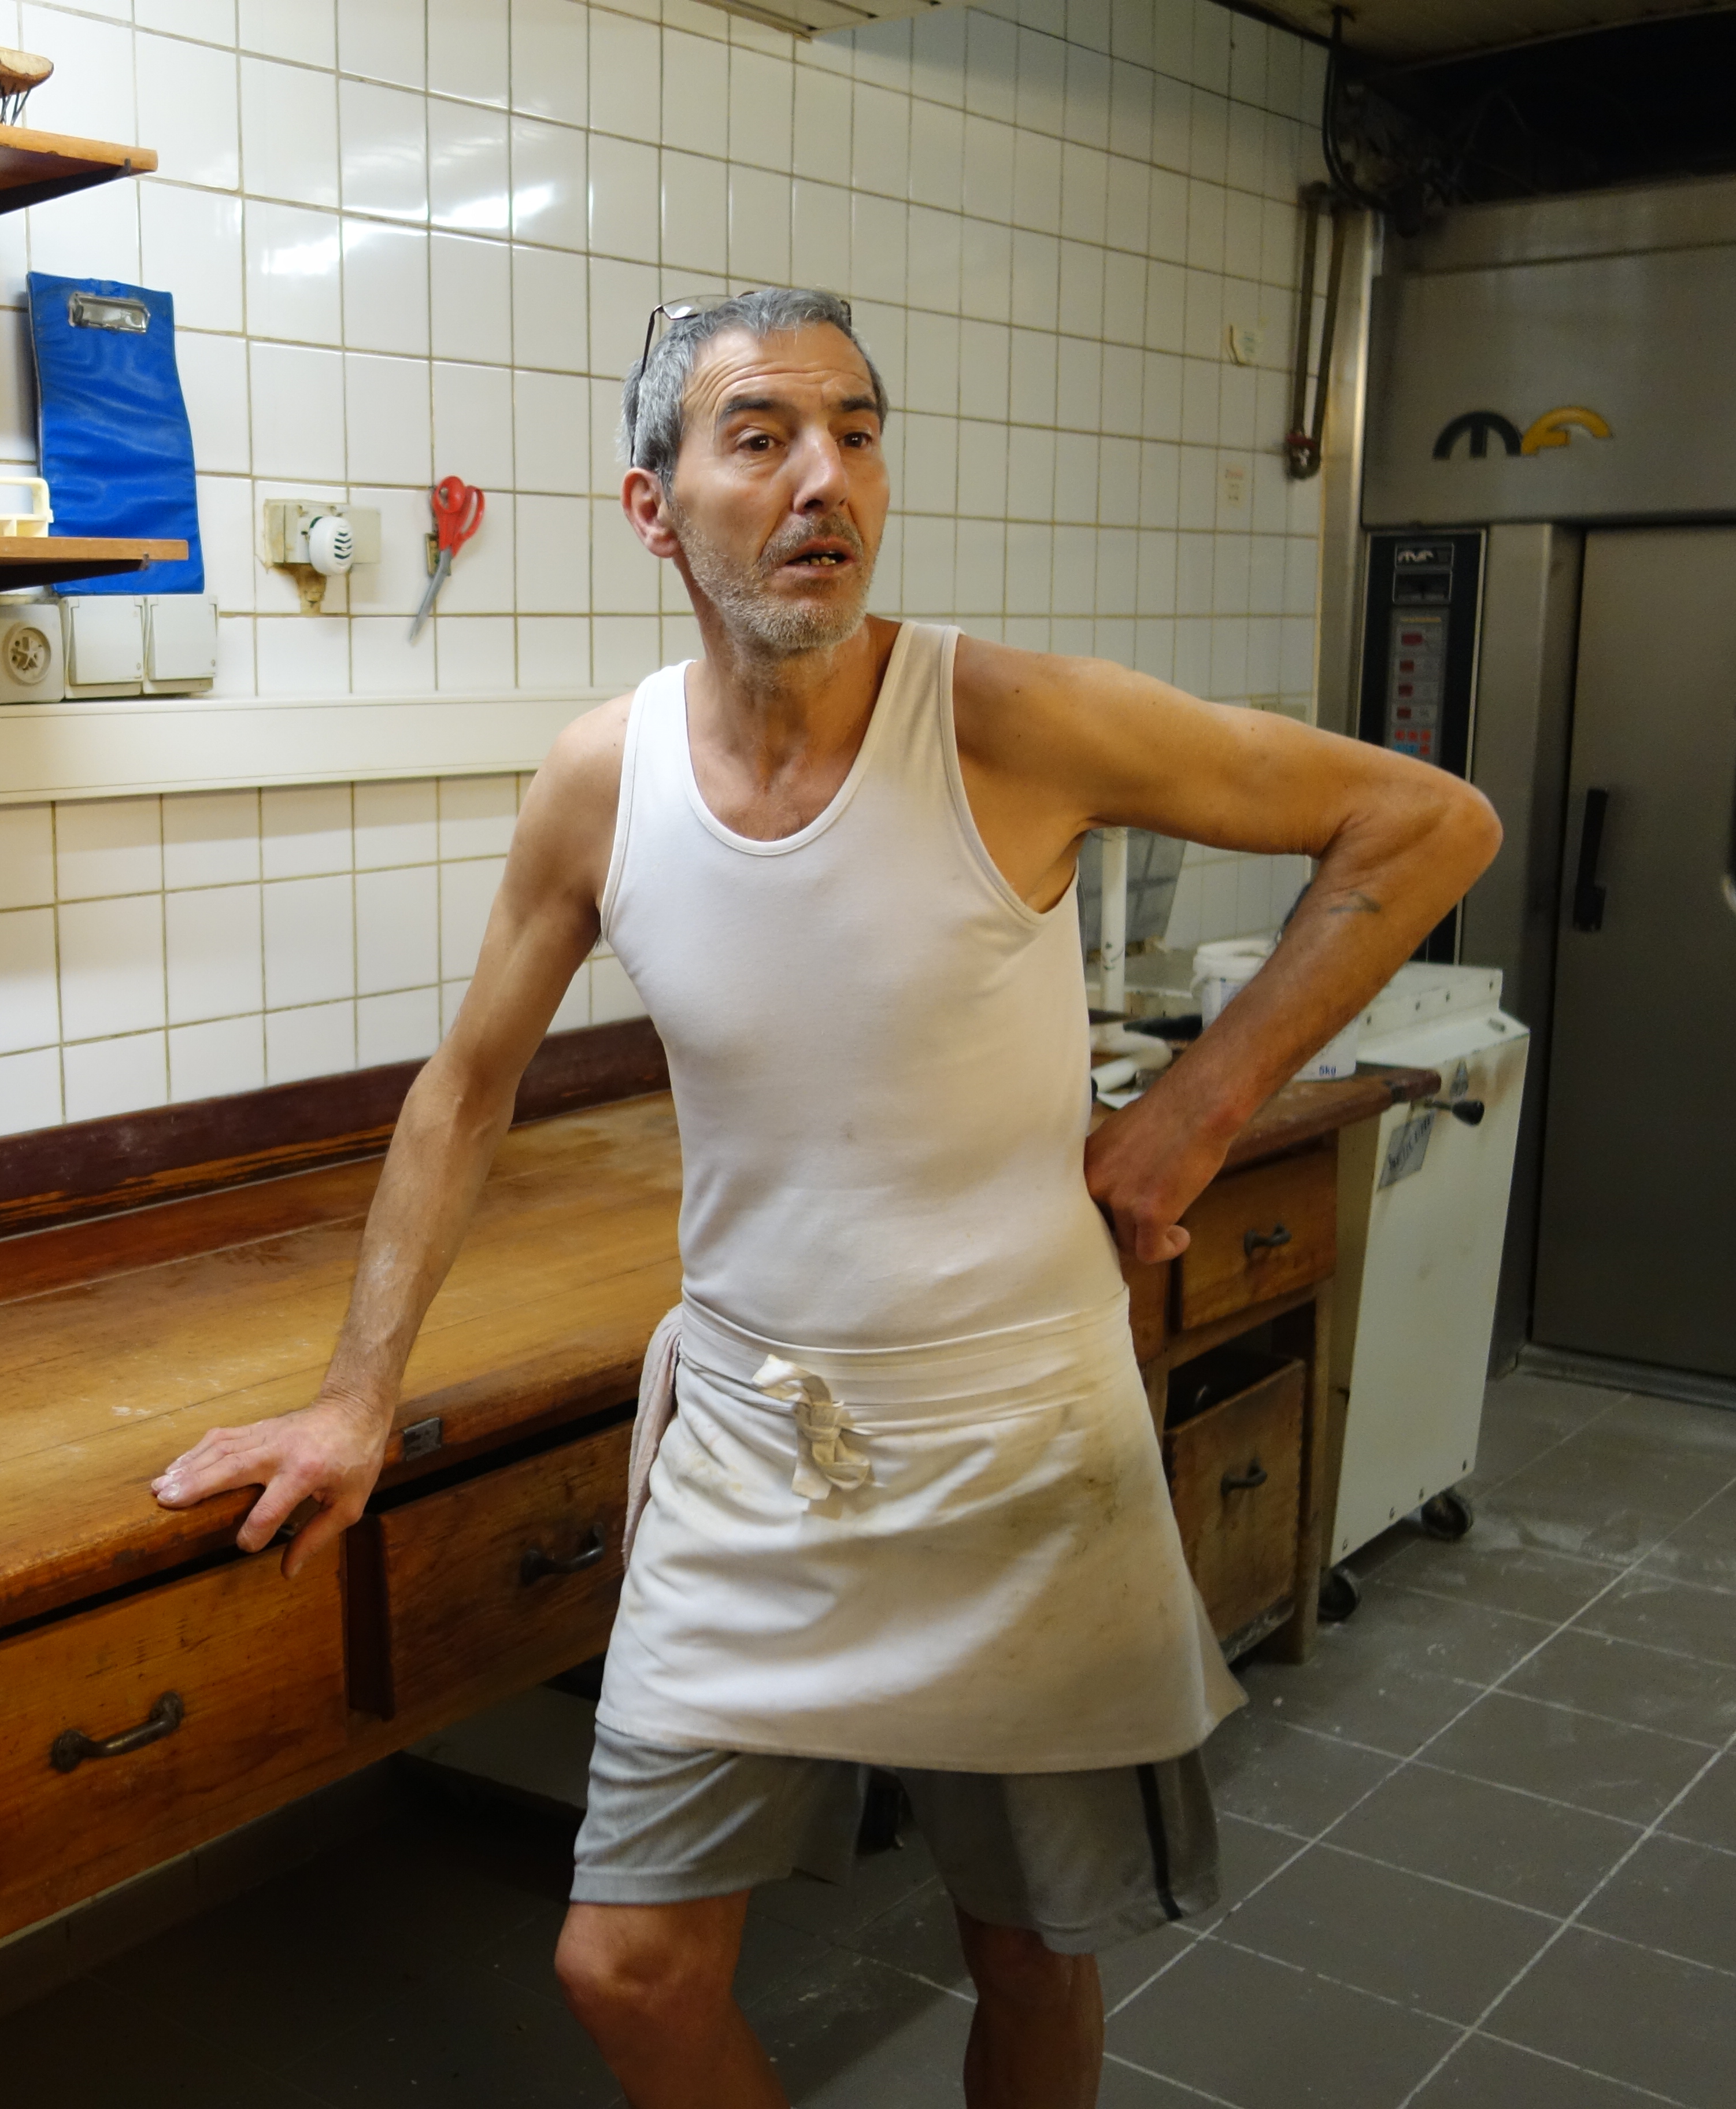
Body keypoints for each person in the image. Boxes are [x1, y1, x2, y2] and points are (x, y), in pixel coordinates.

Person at [151, 287, 1499, 2109]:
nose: (825, 480)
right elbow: (465, 1086)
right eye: (763, 437)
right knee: (625, 1971)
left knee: (1029, 1952)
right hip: (753, 1454)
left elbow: (1428, 820)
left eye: (857, 434)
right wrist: (354, 1399)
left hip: (1022, 1450)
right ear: (653, 508)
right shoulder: (605, 780)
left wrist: (1195, 1112)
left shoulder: (1008, 721)